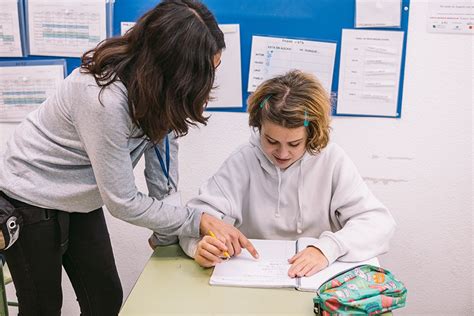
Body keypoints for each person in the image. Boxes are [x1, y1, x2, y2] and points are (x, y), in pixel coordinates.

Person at [0, 1, 257, 315]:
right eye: (206, 71)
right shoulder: (103, 98)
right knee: (43, 306)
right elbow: (121, 200)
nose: (208, 82)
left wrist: (168, 238)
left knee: (105, 298)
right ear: (176, 70)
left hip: (80, 197)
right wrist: (197, 221)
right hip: (30, 192)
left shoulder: (163, 95)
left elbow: (162, 178)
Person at [179, 70, 396, 278]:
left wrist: (327, 249)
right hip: (252, 276)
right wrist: (199, 245)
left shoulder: (331, 160)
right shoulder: (244, 159)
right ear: (258, 127)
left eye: (294, 143)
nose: (282, 154)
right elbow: (193, 217)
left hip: (316, 281)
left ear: (312, 134)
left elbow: (379, 224)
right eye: (271, 141)